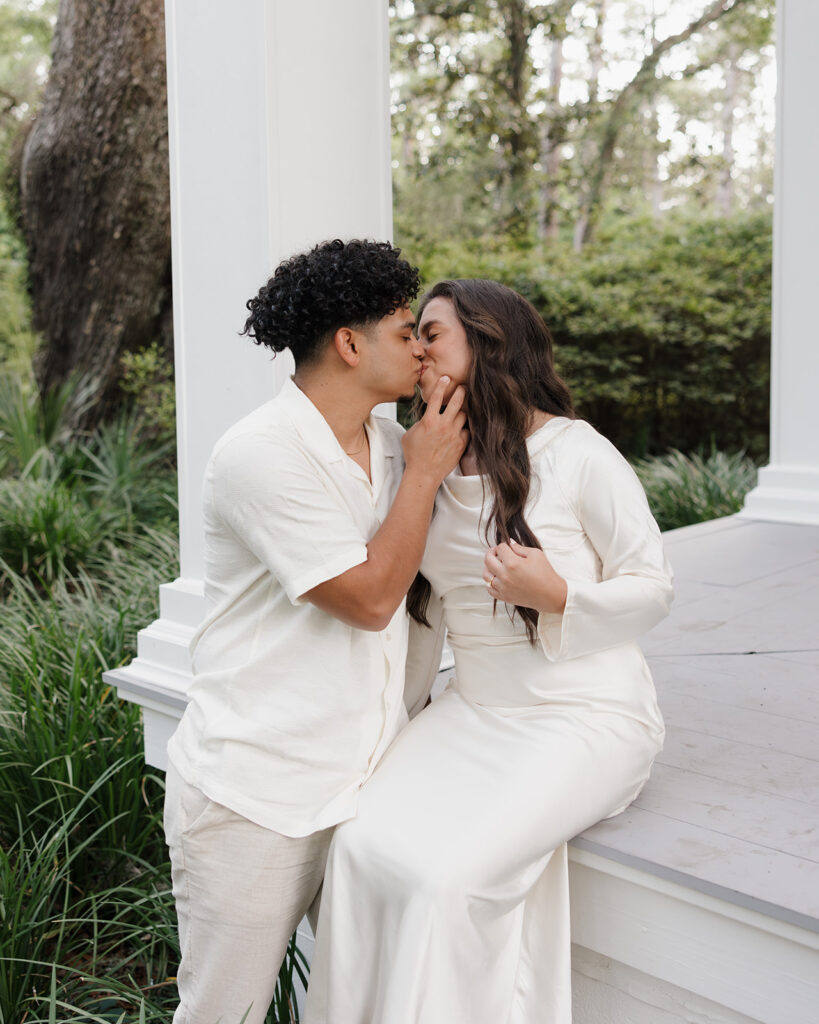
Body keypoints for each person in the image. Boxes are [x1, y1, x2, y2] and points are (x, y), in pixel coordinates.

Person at [304, 279, 674, 1024]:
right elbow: (421, 622)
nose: (415, 350)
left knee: (444, 877)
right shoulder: (429, 466)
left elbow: (653, 587)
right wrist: (388, 729)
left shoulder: (576, 454)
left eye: (430, 334)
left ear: (488, 341)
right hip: (472, 713)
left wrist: (560, 596)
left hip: (583, 717)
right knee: (357, 847)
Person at [163, 240, 468, 1024]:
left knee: (363, 1005)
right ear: (349, 343)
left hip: (369, 788)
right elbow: (368, 599)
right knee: (222, 1013)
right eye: (406, 331)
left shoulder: (402, 449)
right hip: (254, 798)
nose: (419, 348)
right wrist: (429, 473)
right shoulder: (260, 455)